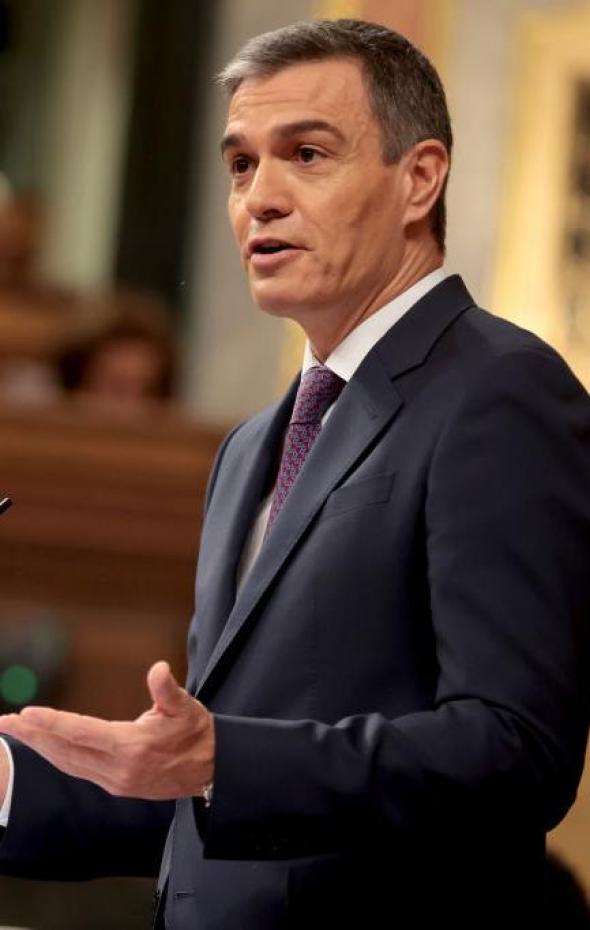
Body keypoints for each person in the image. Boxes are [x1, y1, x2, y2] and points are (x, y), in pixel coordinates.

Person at [0, 19, 589, 930]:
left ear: (420, 178)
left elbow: (515, 749)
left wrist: (221, 760)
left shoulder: (500, 392)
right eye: (241, 165)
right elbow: (217, 801)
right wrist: (12, 782)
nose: (260, 199)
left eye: (306, 155)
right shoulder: (248, 448)